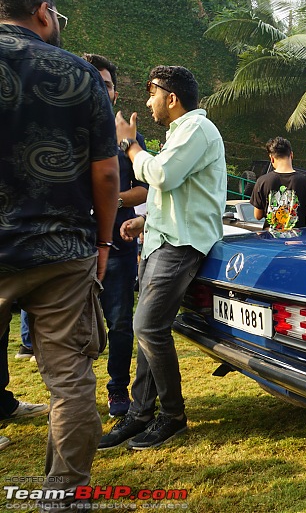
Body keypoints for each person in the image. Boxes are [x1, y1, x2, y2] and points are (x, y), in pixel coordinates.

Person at [0, 0, 120, 499]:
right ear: (44, 11)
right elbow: (108, 176)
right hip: (63, 250)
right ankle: (65, 496)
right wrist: (102, 243)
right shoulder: (79, 73)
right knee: (70, 381)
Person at [99, 65, 226, 451]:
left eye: (152, 94)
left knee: (148, 327)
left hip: (182, 244)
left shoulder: (197, 129)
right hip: (162, 240)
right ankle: (140, 414)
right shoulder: (180, 133)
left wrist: (131, 144)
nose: (148, 102)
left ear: (172, 98)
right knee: (146, 331)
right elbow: (172, 192)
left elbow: (163, 175)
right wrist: (144, 221)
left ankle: (172, 416)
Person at [83, 53, 149, 418]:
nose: (98, 88)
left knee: (121, 324)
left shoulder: (127, 140)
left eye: (105, 84)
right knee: (70, 331)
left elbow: (145, 190)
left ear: (115, 93)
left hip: (120, 249)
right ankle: (73, 400)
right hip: (72, 246)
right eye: (91, 79)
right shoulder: (63, 131)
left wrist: (111, 198)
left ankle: (117, 390)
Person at [251, 137, 306, 230]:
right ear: (291, 155)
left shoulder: (262, 181)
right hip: (296, 241)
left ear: (272, 158)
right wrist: (299, 204)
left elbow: (257, 215)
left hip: (270, 241)